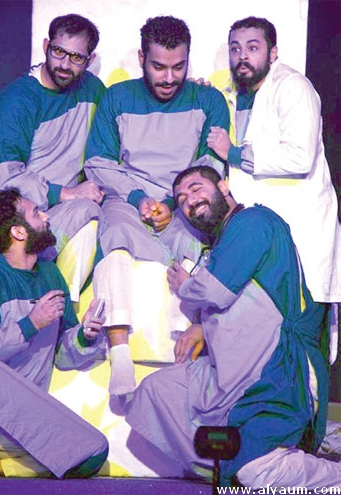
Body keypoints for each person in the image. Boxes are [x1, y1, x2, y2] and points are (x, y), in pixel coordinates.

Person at [126, 166, 341, 488]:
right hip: (226, 372)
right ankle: (230, 466)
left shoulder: (252, 221)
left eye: (196, 188)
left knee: (257, 472)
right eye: (181, 199)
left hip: (275, 370)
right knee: (158, 390)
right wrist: (200, 326)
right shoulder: (221, 244)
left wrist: (186, 286)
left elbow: (215, 291)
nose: (189, 201)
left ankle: (267, 466)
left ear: (224, 187)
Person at [84, 15, 230, 396]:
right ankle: (119, 354)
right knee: (114, 237)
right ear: (141, 59)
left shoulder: (209, 100)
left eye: (178, 67)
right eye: (159, 66)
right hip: (128, 199)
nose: (169, 77)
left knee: (196, 248)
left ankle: (183, 354)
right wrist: (139, 199)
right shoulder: (117, 98)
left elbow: (211, 166)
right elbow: (97, 162)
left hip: (182, 205)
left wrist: (172, 202)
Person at [0, 188, 109, 481]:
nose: (46, 217)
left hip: (25, 417)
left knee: (94, 451)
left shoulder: (50, 275)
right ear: (18, 232)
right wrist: (29, 324)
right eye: (36, 213)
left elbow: (62, 356)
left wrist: (85, 336)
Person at [0, 13, 106, 302]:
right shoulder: (17, 101)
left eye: (76, 57)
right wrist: (66, 193)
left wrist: (191, 90)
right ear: (46, 46)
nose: (65, 64)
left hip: (53, 215)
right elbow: (3, 176)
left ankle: (63, 312)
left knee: (100, 216)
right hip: (5, 221)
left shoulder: (92, 89)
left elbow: (117, 125)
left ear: (90, 59)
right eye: (59, 51)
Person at [207, 16, 340, 304]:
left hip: (299, 226)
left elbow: (300, 156)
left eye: (253, 48)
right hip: (261, 232)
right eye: (235, 48)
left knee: (301, 316)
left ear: (273, 53)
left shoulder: (293, 87)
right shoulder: (233, 93)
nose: (242, 56)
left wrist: (233, 153)